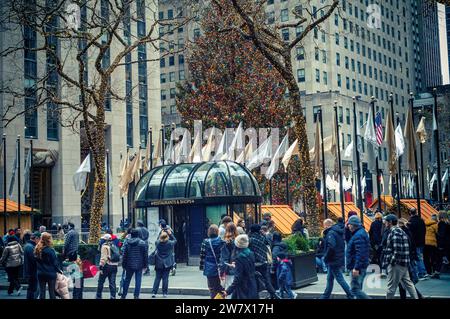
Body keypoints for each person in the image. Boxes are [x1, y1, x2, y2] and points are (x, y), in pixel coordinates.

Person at [381, 214, 418, 299]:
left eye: (386, 221)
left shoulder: (394, 232)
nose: (385, 223)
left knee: (391, 287)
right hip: (403, 262)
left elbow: (397, 250)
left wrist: (392, 262)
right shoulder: (400, 231)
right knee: (408, 283)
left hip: (397, 264)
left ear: (390, 222)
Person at [320, 219, 354, 299]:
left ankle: (351, 294)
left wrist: (326, 257)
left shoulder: (330, 233)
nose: (323, 227)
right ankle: (325, 296)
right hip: (337, 258)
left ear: (327, 225)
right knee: (330, 279)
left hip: (333, 260)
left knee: (340, 279)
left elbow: (331, 246)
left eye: (324, 226)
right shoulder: (337, 232)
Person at [248, 224, 278, 299]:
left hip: (254, 263)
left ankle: (256, 296)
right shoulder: (263, 238)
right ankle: (275, 295)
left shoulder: (250, 240)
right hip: (264, 262)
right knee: (267, 280)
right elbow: (269, 244)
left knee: (254, 281)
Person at [224, 234, 258, 299]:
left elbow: (238, 277)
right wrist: (236, 266)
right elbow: (248, 267)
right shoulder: (251, 253)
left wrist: (228, 291)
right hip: (252, 284)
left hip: (243, 287)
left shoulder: (239, 258)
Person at [397, 218, 423, 299]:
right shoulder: (408, 231)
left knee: (405, 280)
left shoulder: (402, 233)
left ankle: (417, 295)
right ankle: (417, 295)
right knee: (405, 280)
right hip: (409, 258)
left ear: (400, 224)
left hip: (405, 259)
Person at [346, 216, 370, 299]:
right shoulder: (359, 233)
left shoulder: (358, 235)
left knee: (354, 290)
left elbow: (360, 253)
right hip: (359, 265)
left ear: (354, 225)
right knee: (358, 288)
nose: (348, 226)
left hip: (356, 266)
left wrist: (356, 268)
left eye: (349, 224)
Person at [121, 229, 148, 299]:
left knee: (127, 280)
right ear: (138, 234)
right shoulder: (142, 243)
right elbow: (145, 255)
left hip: (129, 265)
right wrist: (145, 265)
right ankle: (136, 296)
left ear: (131, 235)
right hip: (139, 264)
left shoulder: (127, 243)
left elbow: (124, 255)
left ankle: (123, 295)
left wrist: (123, 265)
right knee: (138, 280)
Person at [200, 224, 225, 299]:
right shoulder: (221, 241)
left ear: (209, 232)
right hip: (220, 267)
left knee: (212, 288)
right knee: (221, 287)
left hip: (209, 267)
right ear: (217, 232)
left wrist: (202, 267)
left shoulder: (205, 242)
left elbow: (202, 255)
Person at [35, 232, 61, 299]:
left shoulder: (37, 249)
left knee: (42, 292)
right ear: (48, 240)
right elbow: (55, 263)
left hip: (40, 273)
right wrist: (59, 271)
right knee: (51, 292)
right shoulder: (50, 250)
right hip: (50, 273)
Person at [152, 230, 177, 298]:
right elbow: (175, 240)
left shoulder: (157, 243)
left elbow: (157, 239)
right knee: (165, 278)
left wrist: (160, 232)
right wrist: (170, 234)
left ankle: (154, 292)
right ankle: (164, 293)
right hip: (167, 263)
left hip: (158, 262)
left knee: (157, 278)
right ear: (167, 237)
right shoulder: (169, 243)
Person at [96, 234, 119, 299]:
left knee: (101, 281)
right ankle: (113, 296)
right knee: (112, 282)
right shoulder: (113, 245)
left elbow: (104, 258)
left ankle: (98, 296)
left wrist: (101, 267)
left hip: (106, 266)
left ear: (105, 240)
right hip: (114, 266)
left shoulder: (104, 246)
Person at [407, 208, 427, 279]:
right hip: (421, 241)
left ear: (410, 213)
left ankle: (422, 272)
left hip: (415, 242)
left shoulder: (410, 222)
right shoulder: (421, 220)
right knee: (420, 256)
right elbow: (424, 230)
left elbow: (410, 233)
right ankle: (423, 271)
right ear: (416, 212)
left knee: (417, 257)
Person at [23, 231, 41, 299]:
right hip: (32, 272)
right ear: (36, 238)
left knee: (31, 289)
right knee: (34, 289)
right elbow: (34, 260)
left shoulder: (29, 245)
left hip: (30, 271)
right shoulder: (30, 247)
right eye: (39, 239)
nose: (40, 242)